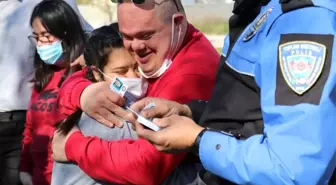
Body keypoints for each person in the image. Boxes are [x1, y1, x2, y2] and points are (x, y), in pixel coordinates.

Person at [129, 0, 336, 184]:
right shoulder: (257, 9)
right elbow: (253, 113)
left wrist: (198, 139)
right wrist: (191, 112)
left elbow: (294, 171)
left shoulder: (303, 21)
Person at [52, 0, 219, 184]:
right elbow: (81, 72)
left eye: (146, 35)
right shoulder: (161, 48)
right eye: (127, 36)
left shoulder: (190, 75)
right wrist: (83, 92)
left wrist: (73, 145)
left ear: (177, 23)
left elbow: (146, 167)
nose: (136, 48)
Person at [0, 0, 91, 184]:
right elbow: (30, 129)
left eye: (46, 36)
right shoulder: (43, 79)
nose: (41, 43)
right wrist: (25, 170)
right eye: (36, 37)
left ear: (66, 33)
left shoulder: (84, 76)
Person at [51, 23, 146, 185]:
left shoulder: (81, 107)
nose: (134, 77)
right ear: (96, 73)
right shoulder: (111, 116)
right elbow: (148, 169)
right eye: (121, 71)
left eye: (137, 67)